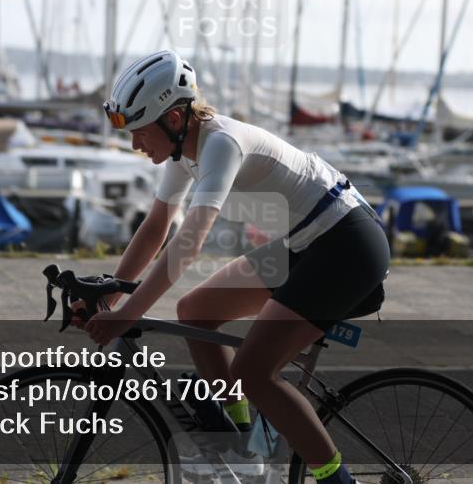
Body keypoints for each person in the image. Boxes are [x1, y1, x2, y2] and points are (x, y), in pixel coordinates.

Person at [77, 49, 390, 484]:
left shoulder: (220, 143)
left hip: (347, 244)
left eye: (140, 132)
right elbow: (156, 227)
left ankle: (339, 480)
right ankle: (245, 446)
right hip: (305, 242)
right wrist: (111, 295)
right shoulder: (183, 150)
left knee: (253, 370)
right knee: (196, 312)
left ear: (173, 119)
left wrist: (128, 315)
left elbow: (188, 242)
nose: (135, 144)